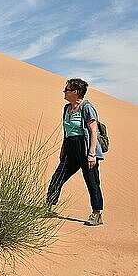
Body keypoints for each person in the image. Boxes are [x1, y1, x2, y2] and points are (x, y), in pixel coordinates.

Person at [46, 78, 105, 226]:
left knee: (92, 182)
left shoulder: (87, 108)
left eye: (67, 89)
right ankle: (48, 207)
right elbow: (66, 131)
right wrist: (63, 149)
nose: (64, 92)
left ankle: (97, 214)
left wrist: (92, 154)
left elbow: (93, 131)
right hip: (70, 149)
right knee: (57, 177)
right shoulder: (66, 108)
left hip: (85, 149)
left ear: (76, 92)